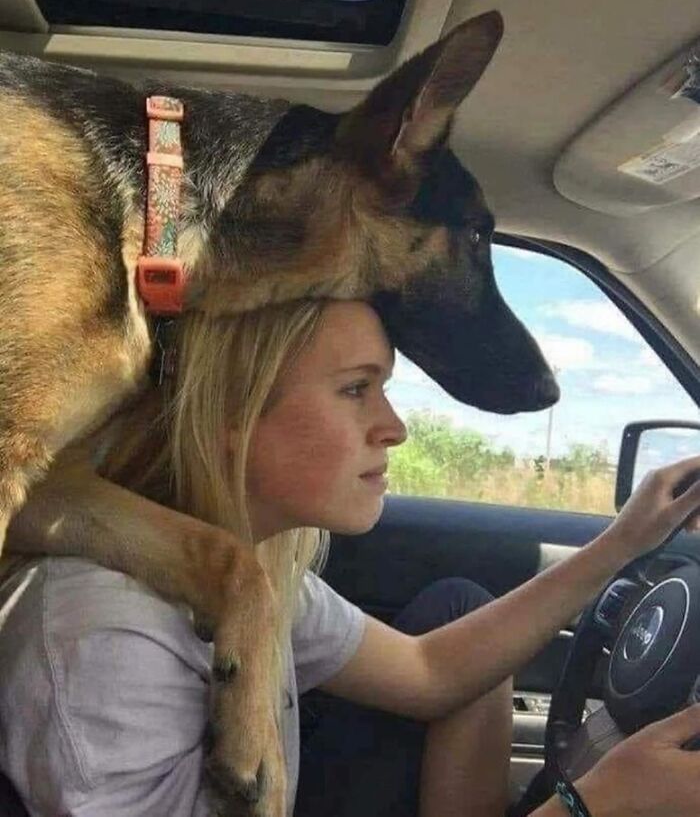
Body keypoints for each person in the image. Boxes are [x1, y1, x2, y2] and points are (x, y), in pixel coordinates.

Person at [0, 298, 698, 817]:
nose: (394, 427)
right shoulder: (105, 636)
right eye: (356, 389)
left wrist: (625, 541)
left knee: (459, 607)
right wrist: (592, 807)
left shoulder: (248, 571)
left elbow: (429, 673)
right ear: (229, 418)